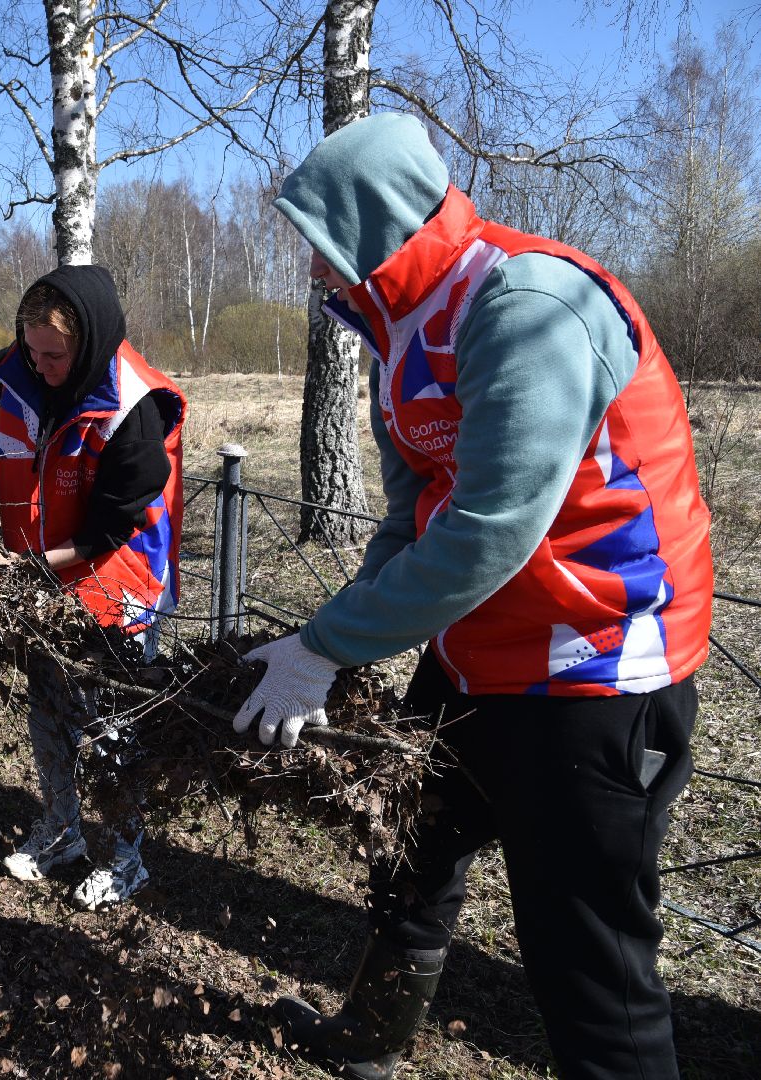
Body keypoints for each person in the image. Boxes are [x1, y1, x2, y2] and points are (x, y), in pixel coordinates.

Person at [236, 112, 713, 1080]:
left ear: (374, 230)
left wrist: (329, 644)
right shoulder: (396, 333)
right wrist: (326, 647)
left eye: (323, 247)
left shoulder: (523, 303)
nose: (313, 272)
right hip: (478, 655)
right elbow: (412, 519)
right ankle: (366, 1042)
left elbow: (491, 528)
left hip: (595, 669)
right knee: (408, 857)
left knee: (588, 963)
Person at [0, 266, 186, 910]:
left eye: (55, 355)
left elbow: (109, 534)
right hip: (41, 574)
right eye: (33, 350)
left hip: (116, 582)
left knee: (109, 728)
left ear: (89, 346)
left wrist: (18, 572)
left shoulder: (135, 410)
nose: (40, 365)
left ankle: (125, 856)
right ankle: (62, 832)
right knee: (47, 706)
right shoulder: (30, 356)